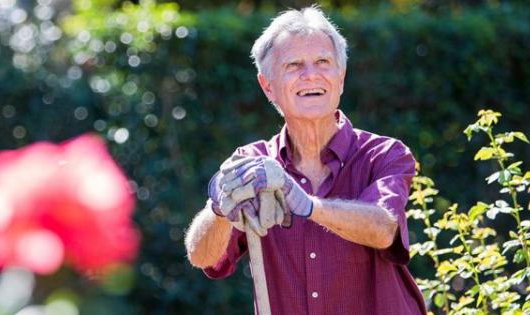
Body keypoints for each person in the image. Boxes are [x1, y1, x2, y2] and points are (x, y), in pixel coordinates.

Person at [183, 6, 426, 314]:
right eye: (294, 65)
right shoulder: (251, 162)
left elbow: (383, 228)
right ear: (268, 86)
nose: (311, 75)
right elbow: (202, 256)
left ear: (341, 77)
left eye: (323, 62)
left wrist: (308, 205)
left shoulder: (384, 154)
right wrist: (218, 209)